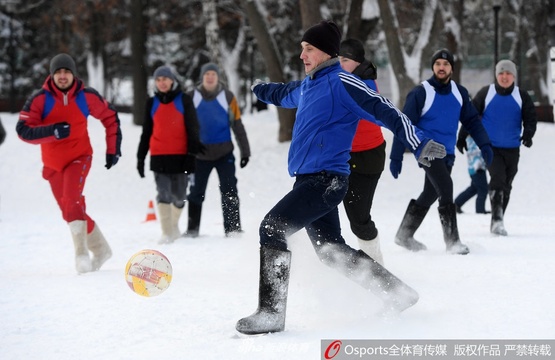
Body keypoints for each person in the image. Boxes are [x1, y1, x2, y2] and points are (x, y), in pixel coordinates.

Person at [236, 20, 447, 335]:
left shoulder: (343, 82)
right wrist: (256, 88)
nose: (302, 55)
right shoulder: (308, 85)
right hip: (308, 180)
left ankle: (271, 313)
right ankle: (397, 293)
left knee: (273, 227)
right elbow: (282, 93)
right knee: (329, 250)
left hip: (327, 180)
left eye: (308, 49)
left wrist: (417, 143)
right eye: (302, 49)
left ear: (326, 52)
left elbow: (386, 110)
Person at [16, 53, 121, 273]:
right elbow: (23, 131)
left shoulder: (86, 96)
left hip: (79, 157)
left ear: (74, 74)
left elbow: (110, 117)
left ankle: (81, 256)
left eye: (67, 72)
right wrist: (51, 131)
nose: (63, 76)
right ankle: (102, 249)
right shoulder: (39, 99)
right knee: (68, 211)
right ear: (52, 75)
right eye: (58, 72)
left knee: (73, 200)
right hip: (53, 165)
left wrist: (113, 149)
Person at [390, 49, 493, 255]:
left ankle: (404, 234)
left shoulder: (459, 93)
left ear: (451, 69)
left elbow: (472, 121)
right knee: (446, 187)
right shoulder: (421, 92)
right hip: (426, 149)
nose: (441, 67)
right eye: (437, 64)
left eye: (445, 64)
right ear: (433, 67)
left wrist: (485, 145)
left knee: (431, 192)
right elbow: (404, 124)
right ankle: (452, 241)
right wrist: (396, 154)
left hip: (447, 152)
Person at [137, 65, 203, 244]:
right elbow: (146, 132)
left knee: (180, 196)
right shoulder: (152, 102)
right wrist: (140, 158)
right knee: (163, 193)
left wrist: (191, 155)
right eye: (158, 80)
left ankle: (173, 226)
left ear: (172, 80)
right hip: (159, 155)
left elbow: (193, 128)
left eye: (165, 79)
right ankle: (167, 233)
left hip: (181, 156)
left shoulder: (184, 100)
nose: (162, 83)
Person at [184, 62, 250, 237]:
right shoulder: (191, 97)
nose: (210, 77)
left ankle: (233, 229)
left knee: (229, 191)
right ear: (202, 77)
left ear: (218, 77)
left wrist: (245, 151)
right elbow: (183, 126)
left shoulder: (228, 97)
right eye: (207, 74)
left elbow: (237, 124)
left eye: (213, 74)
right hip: (199, 155)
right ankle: (192, 229)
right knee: (196, 192)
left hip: (224, 153)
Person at [472, 59, 537, 236]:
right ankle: (497, 221)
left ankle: (497, 219)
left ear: (514, 76)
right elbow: (471, 115)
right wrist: (462, 137)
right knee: (498, 179)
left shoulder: (521, 95)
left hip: (512, 148)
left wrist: (528, 134)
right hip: (491, 147)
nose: (504, 76)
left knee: (506, 184)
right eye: (501, 73)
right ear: (496, 75)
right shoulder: (486, 93)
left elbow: (530, 118)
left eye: (508, 73)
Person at [338, 38, 385, 265]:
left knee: (359, 218)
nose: (339, 64)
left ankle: (377, 266)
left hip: (367, 157)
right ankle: (332, 260)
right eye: (337, 59)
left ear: (357, 62)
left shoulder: (360, 83)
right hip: (345, 155)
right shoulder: (348, 78)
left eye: (344, 60)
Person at [454, 131, 489, 214]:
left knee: (474, 188)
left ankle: (456, 204)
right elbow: (476, 153)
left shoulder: (471, 138)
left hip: (474, 167)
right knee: (483, 189)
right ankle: (480, 210)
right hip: (478, 167)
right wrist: (479, 165)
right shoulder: (475, 138)